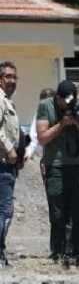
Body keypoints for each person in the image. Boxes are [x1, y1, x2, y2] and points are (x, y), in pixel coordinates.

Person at [36, 80, 79, 270]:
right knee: (58, 214)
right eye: (65, 102)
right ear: (58, 98)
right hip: (55, 167)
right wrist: (62, 124)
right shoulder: (46, 106)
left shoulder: (78, 106)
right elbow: (42, 138)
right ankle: (60, 254)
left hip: (76, 167)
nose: (68, 105)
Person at [0, 61, 21, 267]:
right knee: (4, 211)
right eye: (8, 77)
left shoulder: (7, 101)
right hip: (2, 163)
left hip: (8, 164)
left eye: (14, 77)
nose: (12, 80)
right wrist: (9, 149)